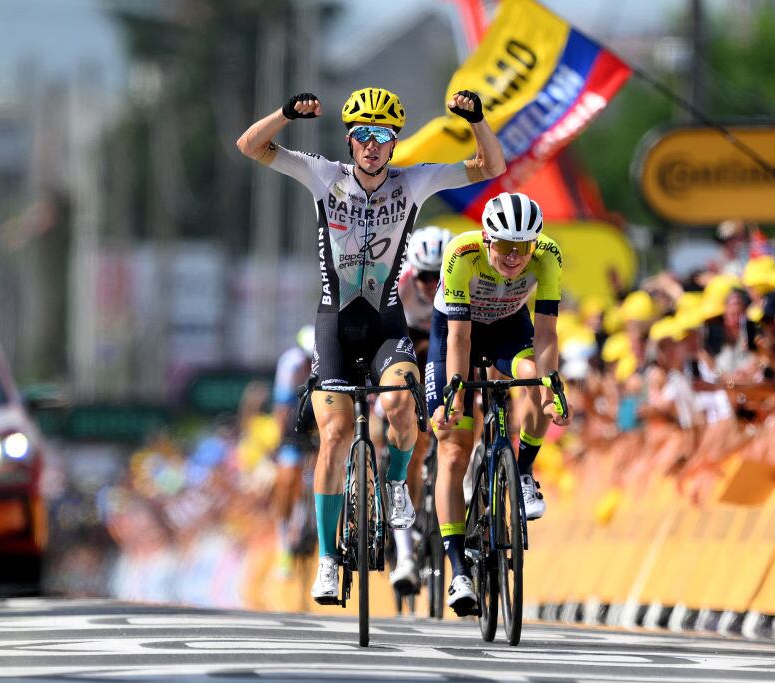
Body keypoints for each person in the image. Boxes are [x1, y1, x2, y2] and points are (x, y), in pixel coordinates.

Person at [236, 86, 506, 604]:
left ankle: (398, 484)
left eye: (383, 136)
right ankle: (327, 562)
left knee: (404, 406)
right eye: (363, 134)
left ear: (394, 141)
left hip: (386, 323)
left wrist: (477, 120)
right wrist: (285, 114)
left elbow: (489, 166)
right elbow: (251, 145)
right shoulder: (324, 175)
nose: (372, 145)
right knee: (335, 435)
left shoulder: (414, 180)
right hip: (334, 324)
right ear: (350, 139)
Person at [427, 192, 570, 615]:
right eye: (505, 246)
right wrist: (456, 390)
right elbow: (458, 338)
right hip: (457, 331)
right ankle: (457, 572)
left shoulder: (548, 256)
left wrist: (553, 387)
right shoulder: (462, 253)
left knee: (538, 386)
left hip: (509, 327)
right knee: (453, 447)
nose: (513, 257)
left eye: (522, 248)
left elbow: (546, 335)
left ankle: (522, 471)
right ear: (488, 239)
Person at [386, 225, 451, 593]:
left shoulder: (460, 281)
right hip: (405, 340)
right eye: (425, 275)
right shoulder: (401, 287)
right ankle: (405, 551)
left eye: (438, 275)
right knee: (396, 434)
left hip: (443, 340)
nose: (431, 283)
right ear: (413, 272)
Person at [270, 325, 315, 576]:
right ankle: (283, 540)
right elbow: (281, 408)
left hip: (318, 415)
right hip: (293, 421)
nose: (309, 364)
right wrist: (281, 441)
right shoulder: (291, 365)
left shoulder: (324, 360)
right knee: (288, 477)